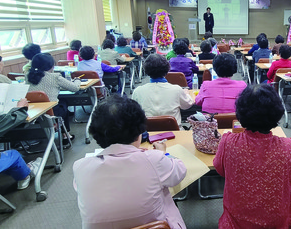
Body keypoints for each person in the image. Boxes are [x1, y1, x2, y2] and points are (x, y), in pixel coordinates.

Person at [74, 95, 187, 229]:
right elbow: (179, 172)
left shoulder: (80, 167)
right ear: (139, 131)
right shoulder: (154, 159)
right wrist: (162, 153)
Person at [214, 84, 291, 229]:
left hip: (235, 225)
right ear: (276, 113)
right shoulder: (289, 146)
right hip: (278, 225)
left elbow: (220, 170)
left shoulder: (228, 142)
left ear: (240, 114)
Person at [27, 53, 81, 141]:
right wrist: (77, 80)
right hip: (50, 113)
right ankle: (65, 135)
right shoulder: (55, 77)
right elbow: (75, 88)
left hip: (32, 113)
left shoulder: (28, 76)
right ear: (51, 66)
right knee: (63, 103)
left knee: (61, 102)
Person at [132, 54, 194, 125]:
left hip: (148, 133)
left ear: (146, 69)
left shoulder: (138, 91)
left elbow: (134, 114)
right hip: (173, 132)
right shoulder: (176, 89)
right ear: (167, 69)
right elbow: (187, 105)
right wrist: (186, 94)